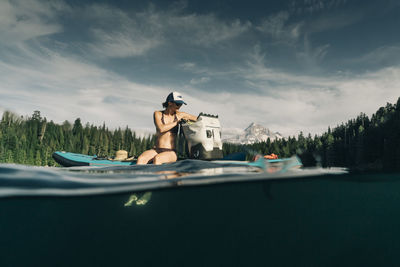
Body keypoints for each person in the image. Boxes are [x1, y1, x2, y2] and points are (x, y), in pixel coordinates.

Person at [137, 92, 197, 165]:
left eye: (181, 104)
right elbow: (161, 129)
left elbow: (198, 119)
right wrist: (176, 122)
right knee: (141, 159)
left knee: (158, 158)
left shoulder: (181, 115)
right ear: (169, 103)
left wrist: (188, 120)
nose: (179, 106)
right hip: (156, 150)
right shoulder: (157, 114)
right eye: (178, 104)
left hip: (171, 152)